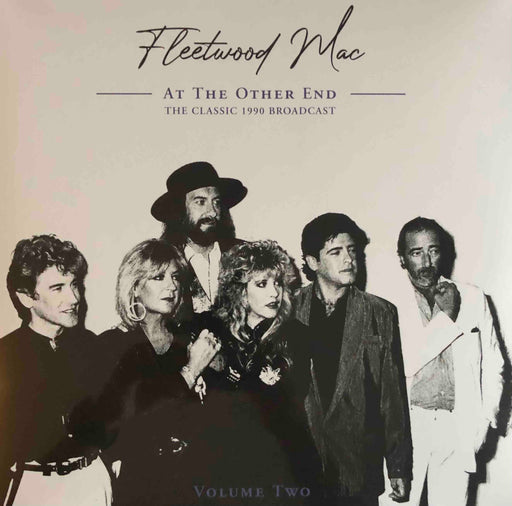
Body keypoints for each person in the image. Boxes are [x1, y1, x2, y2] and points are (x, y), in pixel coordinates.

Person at [381, 217, 504, 506]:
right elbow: (403, 364)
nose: (426, 262)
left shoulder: (473, 297)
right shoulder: (387, 304)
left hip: (457, 427)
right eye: (416, 252)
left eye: (433, 250)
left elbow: (494, 364)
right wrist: (446, 318)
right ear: (402, 259)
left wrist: (484, 422)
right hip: (407, 427)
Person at [295, 213, 412, 506]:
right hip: (301, 464)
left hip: (358, 465)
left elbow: (392, 395)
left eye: (352, 250)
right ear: (312, 262)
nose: (348, 259)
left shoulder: (380, 312)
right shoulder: (288, 308)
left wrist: (398, 465)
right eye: (336, 252)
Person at [192, 239, 319, 505]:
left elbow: (280, 408)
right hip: (224, 473)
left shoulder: (297, 337)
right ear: (239, 290)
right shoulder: (210, 330)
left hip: (282, 472)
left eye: (278, 283)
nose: (274, 293)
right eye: (262, 284)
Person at [97, 239, 220, 506]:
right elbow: (130, 422)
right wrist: (191, 371)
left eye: (175, 277)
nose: (172, 286)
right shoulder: (112, 344)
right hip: (143, 485)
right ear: (134, 287)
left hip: (197, 481)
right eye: (158, 277)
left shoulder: (188, 341)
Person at [0, 234, 112, 506]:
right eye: (57, 288)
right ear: (26, 297)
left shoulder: (92, 346)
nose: (74, 298)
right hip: (35, 487)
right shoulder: (6, 355)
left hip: (93, 480)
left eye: (74, 284)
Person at [151, 161, 247, 313]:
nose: (213, 212)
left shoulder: (246, 255)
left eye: (216, 202)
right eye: (201, 202)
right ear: (179, 209)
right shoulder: (160, 264)